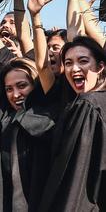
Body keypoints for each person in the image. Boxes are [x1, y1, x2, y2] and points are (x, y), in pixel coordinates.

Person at [0, 0, 57, 212]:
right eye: (9, 89)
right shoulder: (2, 116)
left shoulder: (46, 110)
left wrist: (30, 9)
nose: (15, 94)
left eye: (22, 86)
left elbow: (41, 63)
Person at [38, 36, 106, 211]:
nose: (74, 68)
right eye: (68, 63)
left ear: (100, 67)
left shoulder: (88, 105)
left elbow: (75, 176)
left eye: (83, 61)